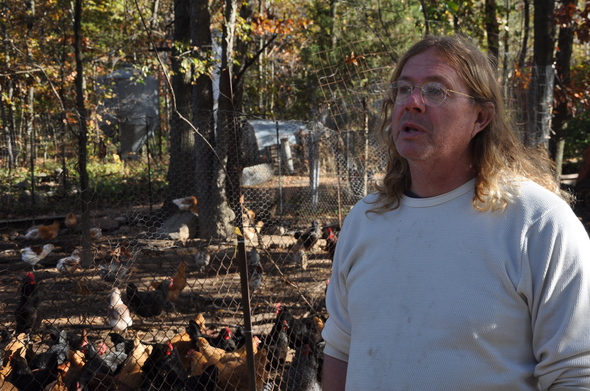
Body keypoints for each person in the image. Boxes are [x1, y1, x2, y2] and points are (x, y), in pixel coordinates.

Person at [321, 34, 590, 390]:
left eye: (435, 90)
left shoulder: (537, 222)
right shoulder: (364, 220)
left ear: (480, 117)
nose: (412, 102)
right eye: (404, 89)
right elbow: (341, 350)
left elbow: (574, 373)